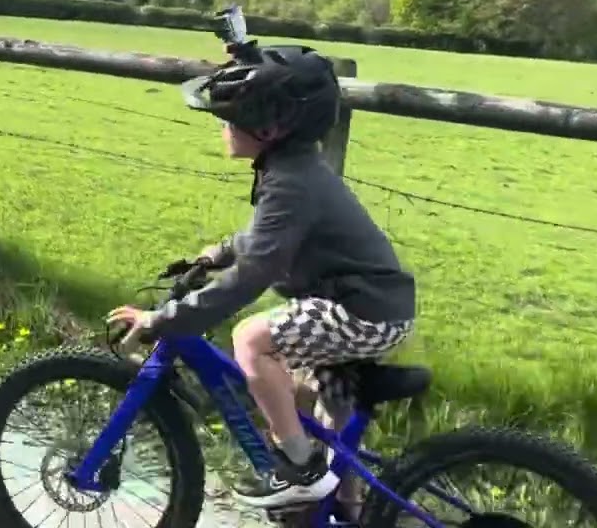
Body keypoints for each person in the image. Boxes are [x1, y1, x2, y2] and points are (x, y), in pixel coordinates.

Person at [106, 42, 417, 512]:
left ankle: (301, 469)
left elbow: (254, 274)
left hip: (363, 311)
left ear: (272, 127)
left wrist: (165, 319)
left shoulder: (292, 183)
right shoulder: (290, 170)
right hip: (370, 305)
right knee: (304, 403)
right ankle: (341, 507)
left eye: (232, 118)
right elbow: (263, 236)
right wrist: (215, 255)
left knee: (252, 340)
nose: (223, 127)